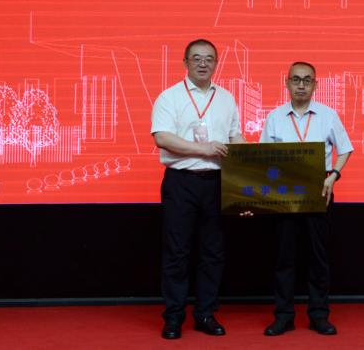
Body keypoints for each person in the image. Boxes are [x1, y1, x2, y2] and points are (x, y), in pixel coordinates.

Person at [151, 39, 245, 340]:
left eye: (209, 59)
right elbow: (162, 138)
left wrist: (252, 159)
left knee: (212, 252)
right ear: (185, 62)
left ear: (216, 63)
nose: (203, 63)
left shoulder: (227, 98)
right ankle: (174, 317)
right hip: (182, 182)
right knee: (177, 251)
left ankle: (205, 314)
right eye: (196, 58)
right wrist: (204, 149)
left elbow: (235, 137)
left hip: (218, 183)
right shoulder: (169, 97)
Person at [259, 61, 353, 336]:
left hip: (319, 190)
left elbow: (345, 149)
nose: (301, 85)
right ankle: (283, 316)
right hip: (284, 194)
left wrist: (333, 175)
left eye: (307, 80)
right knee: (284, 258)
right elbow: (264, 157)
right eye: (296, 79)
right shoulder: (274, 117)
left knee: (318, 258)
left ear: (315, 85)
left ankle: (319, 315)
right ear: (287, 83)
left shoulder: (328, 115)